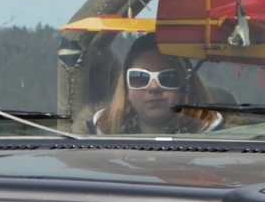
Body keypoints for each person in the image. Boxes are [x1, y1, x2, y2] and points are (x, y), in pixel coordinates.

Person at [91, 40, 221, 135]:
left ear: (185, 87)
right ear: (126, 90)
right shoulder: (92, 140)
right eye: (140, 78)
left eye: (168, 78)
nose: (154, 87)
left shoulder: (221, 140)